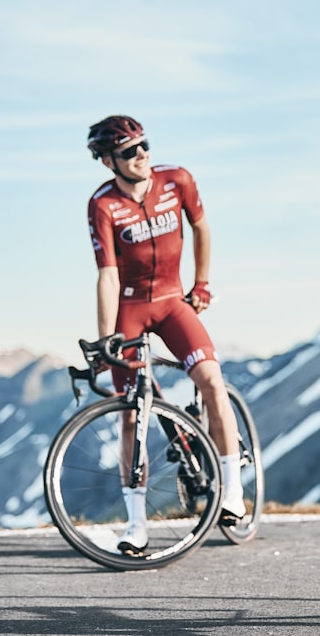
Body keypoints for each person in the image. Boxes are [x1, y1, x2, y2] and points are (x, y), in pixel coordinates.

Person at [85, 115, 245, 553]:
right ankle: (136, 524)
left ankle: (233, 492)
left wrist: (203, 283)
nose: (142, 155)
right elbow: (107, 276)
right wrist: (104, 340)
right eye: (129, 151)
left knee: (212, 381)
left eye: (144, 145)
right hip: (131, 308)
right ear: (107, 161)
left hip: (174, 301)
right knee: (130, 415)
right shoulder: (102, 205)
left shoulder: (177, 181)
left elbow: (201, 227)